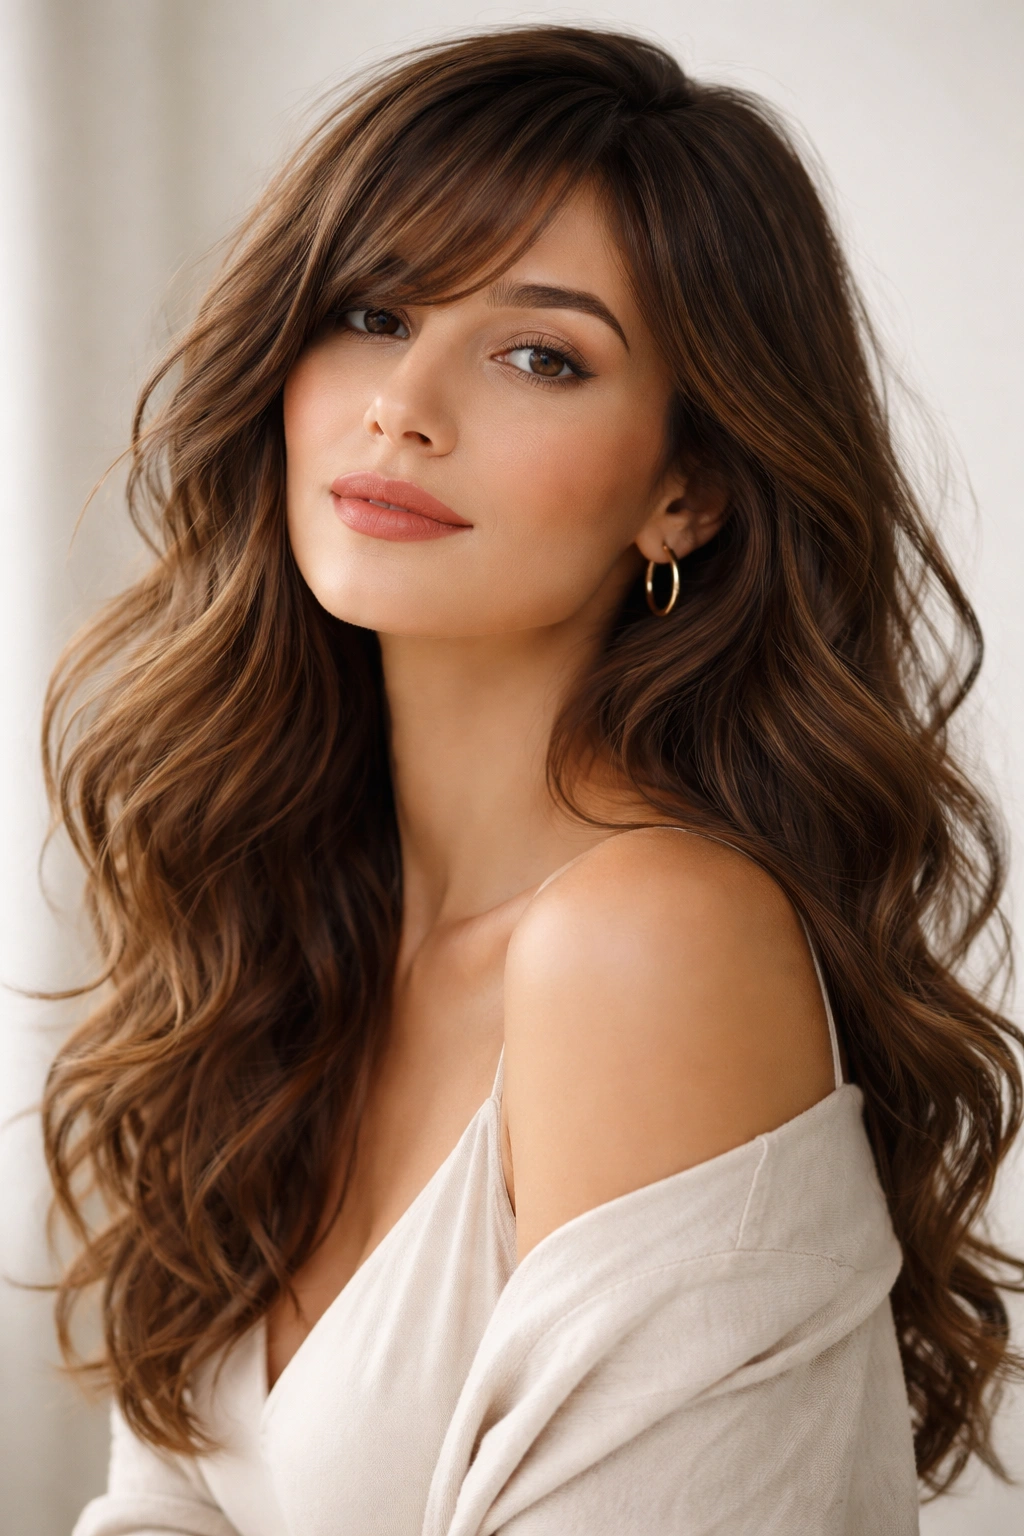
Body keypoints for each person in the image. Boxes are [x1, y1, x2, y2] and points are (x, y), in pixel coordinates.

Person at [46, 25, 1021, 1536]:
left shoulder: (648, 941)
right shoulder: (284, 923)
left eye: (539, 354)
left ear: (684, 492)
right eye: (371, 312)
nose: (403, 404)